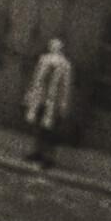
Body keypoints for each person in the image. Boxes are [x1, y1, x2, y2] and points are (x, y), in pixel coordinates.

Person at [22, 34, 74, 166]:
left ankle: (48, 156)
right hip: (41, 97)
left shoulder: (65, 66)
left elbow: (65, 87)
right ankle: (37, 151)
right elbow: (36, 79)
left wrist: (62, 104)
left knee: (50, 129)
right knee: (39, 126)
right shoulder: (43, 60)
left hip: (53, 101)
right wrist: (31, 96)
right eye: (52, 46)